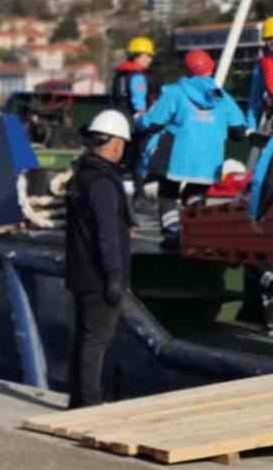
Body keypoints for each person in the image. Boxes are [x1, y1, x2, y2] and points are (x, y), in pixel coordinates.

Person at [64, 110, 136, 409]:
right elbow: (107, 234)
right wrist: (115, 276)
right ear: (116, 144)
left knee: (84, 338)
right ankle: (89, 404)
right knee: (96, 341)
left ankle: (78, 400)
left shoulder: (81, 175)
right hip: (99, 275)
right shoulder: (104, 183)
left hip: (80, 271)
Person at [138, 48, 249, 242]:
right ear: (210, 69)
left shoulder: (174, 91)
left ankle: (172, 231)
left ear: (186, 70)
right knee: (196, 192)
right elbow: (239, 131)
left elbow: (153, 122)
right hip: (209, 161)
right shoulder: (222, 97)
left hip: (177, 157)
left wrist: (139, 123)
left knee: (167, 192)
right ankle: (195, 232)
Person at [109, 36, 158, 183]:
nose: (150, 59)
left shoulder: (119, 75)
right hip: (132, 123)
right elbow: (139, 104)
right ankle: (138, 189)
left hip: (116, 120)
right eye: (147, 55)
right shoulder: (137, 77)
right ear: (137, 56)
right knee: (137, 154)